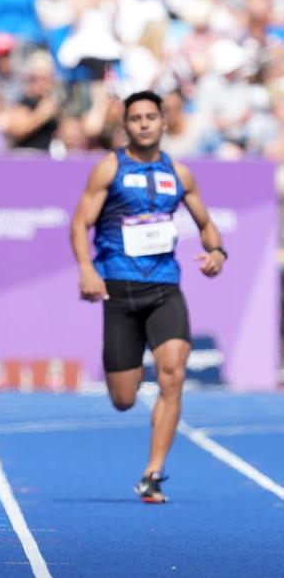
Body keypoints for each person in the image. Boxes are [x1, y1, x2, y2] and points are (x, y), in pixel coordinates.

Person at [70, 90, 226, 503]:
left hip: (165, 288)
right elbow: (79, 223)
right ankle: (126, 385)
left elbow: (207, 224)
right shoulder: (109, 168)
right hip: (119, 288)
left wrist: (217, 252)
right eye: (135, 117)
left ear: (163, 122)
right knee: (123, 398)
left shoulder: (179, 173)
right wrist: (87, 270)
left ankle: (153, 474)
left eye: (150, 117)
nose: (143, 123)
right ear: (126, 125)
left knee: (173, 374)